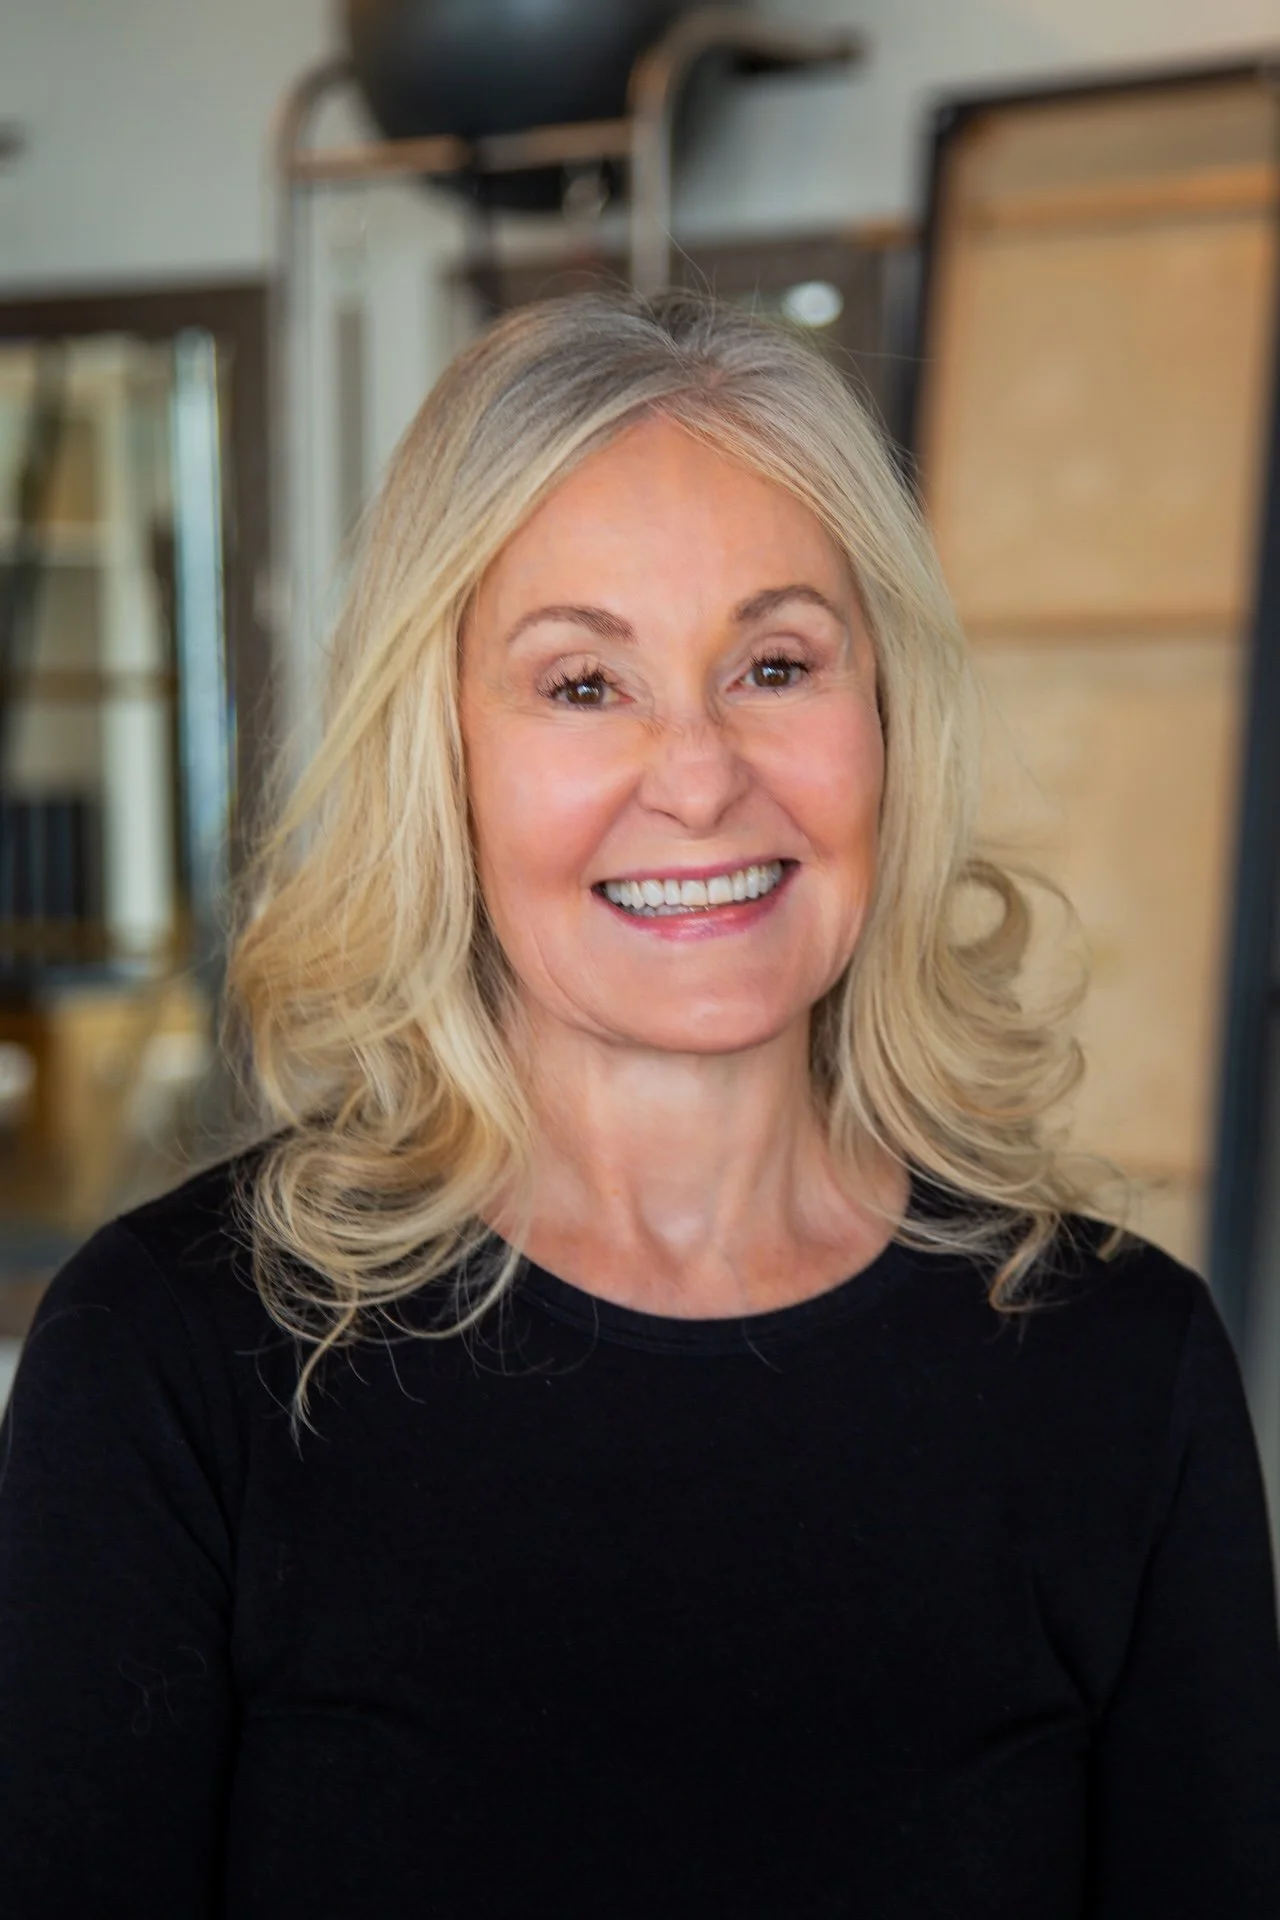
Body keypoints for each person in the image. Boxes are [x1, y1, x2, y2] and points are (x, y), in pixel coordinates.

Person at [1, 289, 1277, 1918]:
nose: (700, 773)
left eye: (775, 664)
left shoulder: (1125, 1368)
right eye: (585, 684)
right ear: (440, 753)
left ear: (889, 718)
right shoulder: (174, 1362)